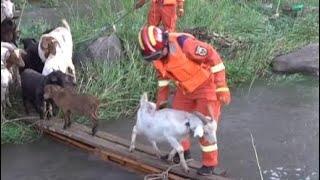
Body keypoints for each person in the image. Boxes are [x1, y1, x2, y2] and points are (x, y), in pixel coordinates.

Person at [137, 25, 231, 176]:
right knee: (176, 122)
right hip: (184, 89)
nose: (157, 59)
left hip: (206, 87)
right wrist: (162, 100)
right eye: (154, 57)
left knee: (204, 127)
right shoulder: (157, 55)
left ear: (164, 43)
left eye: (158, 55)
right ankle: (183, 153)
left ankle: (209, 163)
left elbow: (214, 58)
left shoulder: (184, 43)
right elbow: (163, 78)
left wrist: (221, 86)